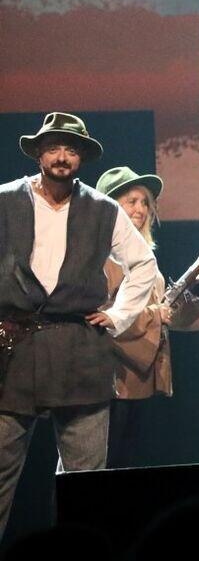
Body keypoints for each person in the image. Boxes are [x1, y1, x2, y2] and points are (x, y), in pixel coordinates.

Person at [0, 113, 159, 537]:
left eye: (71, 149)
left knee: (85, 481)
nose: (61, 157)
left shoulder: (103, 209)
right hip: (14, 346)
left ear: (82, 158)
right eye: (53, 147)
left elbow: (143, 264)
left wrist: (118, 315)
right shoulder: (5, 200)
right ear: (38, 153)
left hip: (79, 348)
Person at [93, 166, 199, 467]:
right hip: (111, 379)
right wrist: (155, 314)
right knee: (99, 464)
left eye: (144, 202)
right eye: (131, 201)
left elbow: (162, 308)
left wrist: (193, 282)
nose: (140, 209)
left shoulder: (143, 258)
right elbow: (101, 317)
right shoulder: (102, 256)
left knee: (123, 463)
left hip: (136, 378)